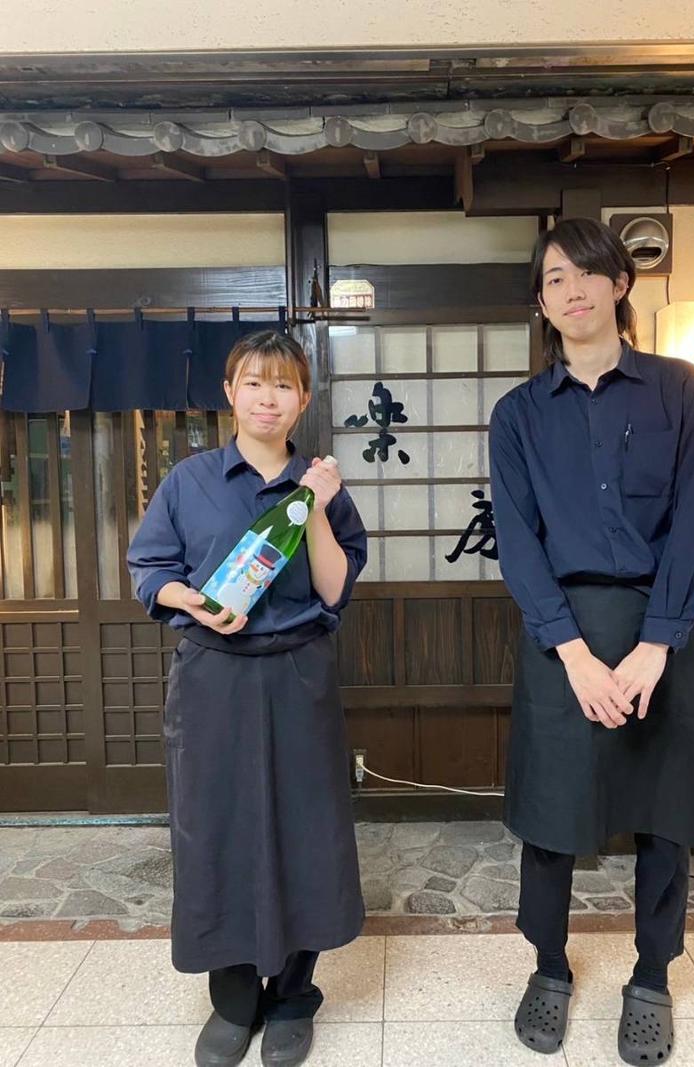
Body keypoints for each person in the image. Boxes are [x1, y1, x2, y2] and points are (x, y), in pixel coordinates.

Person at [488, 218, 694, 1065]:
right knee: (551, 817)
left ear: (618, 282)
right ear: (542, 303)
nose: (570, 290)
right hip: (560, 637)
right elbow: (518, 543)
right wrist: (572, 653)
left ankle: (651, 974)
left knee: (665, 817)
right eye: (553, 279)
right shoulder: (518, 415)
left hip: (661, 629)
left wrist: (656, 644)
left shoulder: (683, 391)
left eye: (584, 272)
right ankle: (549, 966)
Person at [127, 330, 367, 1067]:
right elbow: (151, 571)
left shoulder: (319, 482)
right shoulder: (189, 480)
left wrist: (314, 504)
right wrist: (193, 603)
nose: (269, 398)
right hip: (213, 681)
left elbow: (335, 588)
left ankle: (293, 995)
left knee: (306, 831)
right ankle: (233, 1000)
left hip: (298, 678)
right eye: (255, 383)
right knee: (217, 832)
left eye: (284, 385)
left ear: (304, 398)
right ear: (230, 393)